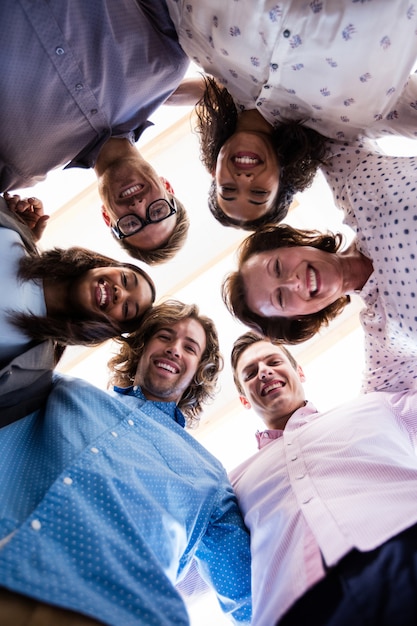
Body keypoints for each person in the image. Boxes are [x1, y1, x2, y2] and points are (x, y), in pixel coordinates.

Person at [0, 301, 252, 626]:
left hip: (118, 612)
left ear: (198, 372)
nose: (175, 349)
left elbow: (248, 596)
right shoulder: (63, 389)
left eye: (189, 347)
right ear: (143, 346)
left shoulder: (210, 476)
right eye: (164, 336)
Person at [229, 330, 417, 626]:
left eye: (273, 362)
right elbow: (182, 560)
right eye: (250, 373)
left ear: (299, 371)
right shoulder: (232, 485)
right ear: (243, 400)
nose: (264, 372)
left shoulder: (376, 404)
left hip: (407, 543)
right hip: (298, 611)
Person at [0, 0, 190, 264]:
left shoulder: (20, 168)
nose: (137, 207)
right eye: (157, 210)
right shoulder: (167, 64)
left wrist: (15, 229)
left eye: (131, 225)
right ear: (167, 187)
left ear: (107, 217)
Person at [222, 138, 417, 394]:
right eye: (280, 297)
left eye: (278, 267)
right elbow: (374, 416)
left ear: (289, 244)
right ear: (299, 317)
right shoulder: (386, 336)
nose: (293, 281)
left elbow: (313, 119)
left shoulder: (358, 188)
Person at [0, 193, 155, 426]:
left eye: (127, 308)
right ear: (106, 265)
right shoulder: (16, 233)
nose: (119, 293)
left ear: (110, 327)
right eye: (125, 279)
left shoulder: (30, 377)